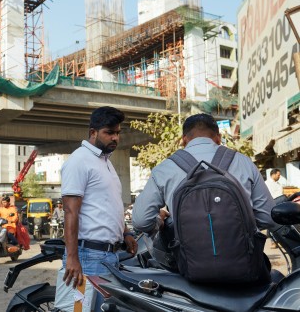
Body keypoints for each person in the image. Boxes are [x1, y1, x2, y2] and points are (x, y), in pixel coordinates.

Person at [131, 114, 278, 275]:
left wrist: (160, 221)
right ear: (219, 138)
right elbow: (268, 217)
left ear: (184, 140)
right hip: (244, 269)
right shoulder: (243, 162)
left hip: (189, 271)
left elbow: (141, 221)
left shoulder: (165, 168)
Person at [57, 106, 137, 310]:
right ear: (93, 132)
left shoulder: (105, 162)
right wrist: (73, 258)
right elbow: (70, 211)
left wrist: (126, 232)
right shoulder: (79, 161)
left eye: (117, 133)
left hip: (108, 255)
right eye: (109, 132)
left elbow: (108, 204)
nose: (115, 138)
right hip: (87, 255)